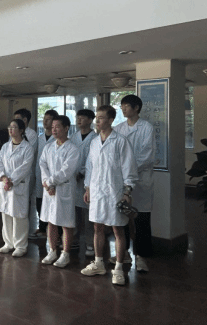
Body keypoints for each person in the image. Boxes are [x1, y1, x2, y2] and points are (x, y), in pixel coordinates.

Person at [81, 105, 138, 286]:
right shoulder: (94, 142)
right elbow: (90, 167)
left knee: (117, 229)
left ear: (111, 120)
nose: (97, 121)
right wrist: (88, 188)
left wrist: (127, 192)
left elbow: (129, 169)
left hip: (115, 192)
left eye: (101, 117)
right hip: (97, 191)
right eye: (96, 117)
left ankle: (119, 268)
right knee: (97, 227)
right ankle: (98, 263)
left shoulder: (120, 141)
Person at [114, 95, 155, 272]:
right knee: (123, 218)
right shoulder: (118, 129)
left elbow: (147, 155)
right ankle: (123, 253)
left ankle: (142, 257)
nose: (123, 109)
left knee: (142, 219)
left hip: (141, 179)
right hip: (122, 180)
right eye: (122, 106)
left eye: (126, 106)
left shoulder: (146, 128)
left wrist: (128, 170)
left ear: (136, 108)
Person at [39, 116, 81, 268]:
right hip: (49, 190)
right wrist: (47, 183)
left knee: (66, 223)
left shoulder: (73, 149)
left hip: (64, 189)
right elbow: (42, 164)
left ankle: (65, 254)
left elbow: (66, 171)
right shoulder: (48, 147)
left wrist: (50, 182)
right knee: (51, 221)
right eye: (52, 127)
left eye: (57, 126)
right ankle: (52, 251)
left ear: (66, 128)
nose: (54, 130)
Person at [0, 119, 34, 257]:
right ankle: (8, 243)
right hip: (5, 184)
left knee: (19, 216)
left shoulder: (27, 148)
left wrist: (11, 180)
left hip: (18, 185)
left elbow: (25, 167)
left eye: (14, 127)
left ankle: (20, 246)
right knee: (6, 214)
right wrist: (3, 178)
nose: (10, 129)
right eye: (9, 127)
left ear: (21, 130)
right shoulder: (5, 146)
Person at [70, 110, 98, 256]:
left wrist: (82, 172)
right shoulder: (73, 137)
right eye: (78, 118)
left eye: (82, 118)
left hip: (89, 180)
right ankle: (74, 239)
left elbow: (93, 161)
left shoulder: (95, 138)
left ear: (90, 120)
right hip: (74, 179)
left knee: (88, 215)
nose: (79, 120)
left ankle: (89, 243)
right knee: (74, 213)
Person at [30, 109, 58, 239]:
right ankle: (42, 227)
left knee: (52, 203)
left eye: (48, 119)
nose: (45, 122)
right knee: (39, 201)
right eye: (44, 119)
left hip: (52, 176)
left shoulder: (56, 139)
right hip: (39, 174)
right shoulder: (40, 138)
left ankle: (54, 231)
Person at [13, 108, 39, 239]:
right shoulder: (13, 135)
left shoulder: (32, 134)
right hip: (12, 175)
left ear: (24, 120)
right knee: (14, 203)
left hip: (26, 173)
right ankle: (15, 233)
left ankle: (26, 231)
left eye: (17, 120)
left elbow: (28, 154)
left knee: (25, 202)